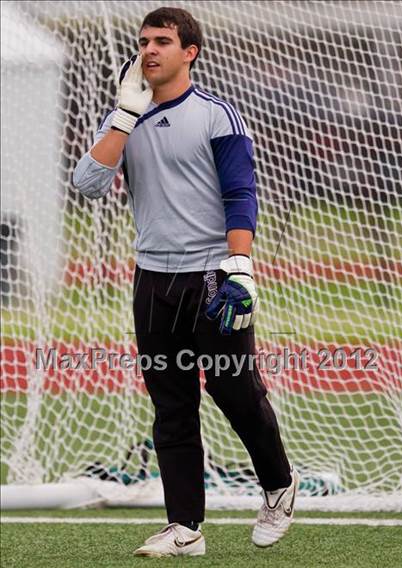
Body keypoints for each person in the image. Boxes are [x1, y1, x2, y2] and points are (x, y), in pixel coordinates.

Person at [73, 6, 298, 558]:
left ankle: (278, 485)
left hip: (211, 278)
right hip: (153, 280)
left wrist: (239, 268)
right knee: (170, 403)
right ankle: (185, 528)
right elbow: (86, 183)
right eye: (144, 41)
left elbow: (240, 194)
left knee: (233, 390)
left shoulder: (216, 115)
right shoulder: (125, 116)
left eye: (163, 41)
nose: (149, 50)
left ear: (188, 51)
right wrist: (125, 115)